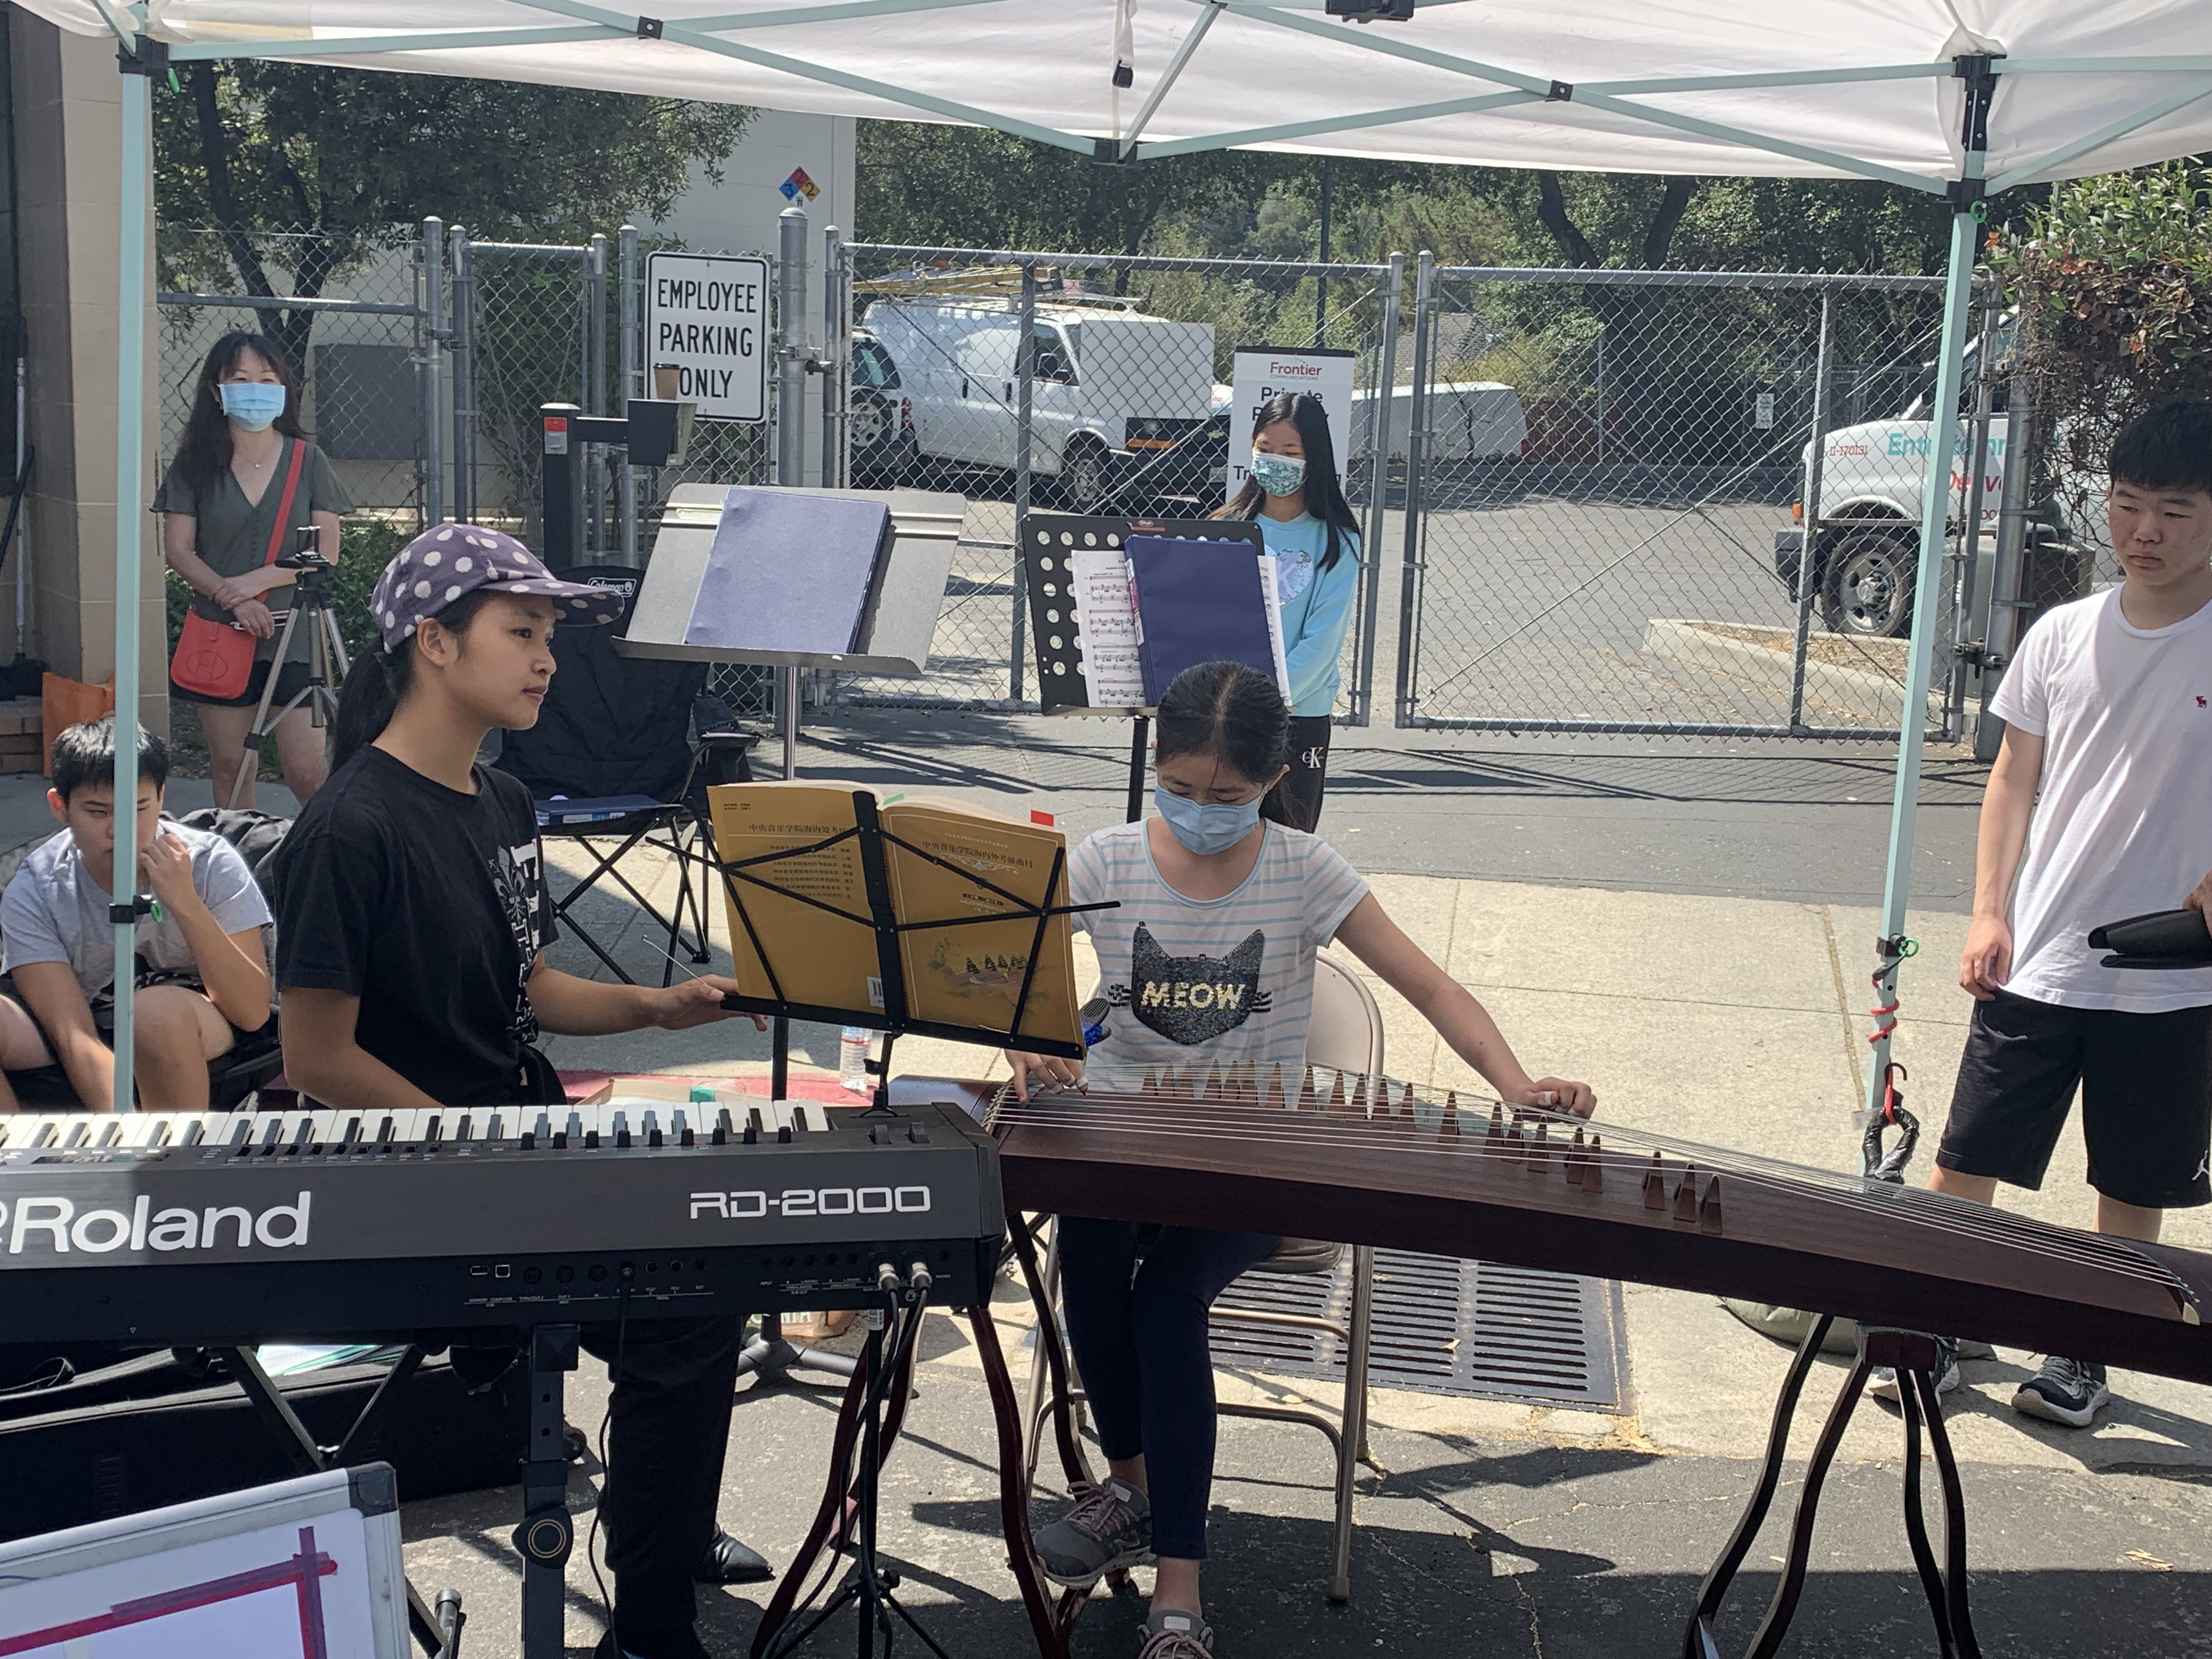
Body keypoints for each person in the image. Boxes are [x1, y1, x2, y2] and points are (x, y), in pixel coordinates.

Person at [1005, 659, 1592, 1659]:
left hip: (1250, 1155)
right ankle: (1137, 1484)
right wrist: (1031, 1033)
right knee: (1090, 1271)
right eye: (1179, 789)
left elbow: (1433, 987)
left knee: (1164, 1296)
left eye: (1225, 796)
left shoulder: (1301, 870)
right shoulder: (1100, 861)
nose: (1198, 811)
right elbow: (1013, 982)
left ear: (1275, 776)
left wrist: (1516, 1081)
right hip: (1119, 1141)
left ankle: (1178, 1585)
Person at [268, 526, 766, 1659]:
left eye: (549, 635)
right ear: (433, 644)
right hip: (407, 1186)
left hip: (501, 1151)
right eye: (522, 632)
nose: (547, 658)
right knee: (682, 1317)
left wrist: (657, 1006)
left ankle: (665, 1530)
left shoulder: (497, 799)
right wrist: (477, 1144)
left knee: (711, 1266)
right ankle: (648, 1621)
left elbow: (528, 985)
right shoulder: (349, 830)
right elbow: (316, 1059)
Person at [1903, 395, 2212, 1430]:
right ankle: (1939, 1321)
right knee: (1966, 1155)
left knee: (2133, 1176)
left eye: (2174, 507)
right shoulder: (2062, 632)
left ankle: (2085, 1344)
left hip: (2174, 971)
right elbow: (2011, 783)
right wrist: (1986, 911)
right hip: (2038, 953)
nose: (2146, 531)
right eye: (2128, 506)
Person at [0, 719, 274, 1112]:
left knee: (150, 1015)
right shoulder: (37, 886)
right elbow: (74, 1035)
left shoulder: (210, 863)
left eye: (139, 808)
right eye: (98, 812)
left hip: (198, 1020)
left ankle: (173, 1167)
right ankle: (16, 1166)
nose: (121, 830)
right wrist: (123, 1141)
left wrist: (185, 902)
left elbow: (251, 1011)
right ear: (60, 807)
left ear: (161, 798)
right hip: (87, 1026)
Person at [157, 331, 352, 810]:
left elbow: (328, 548)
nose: (255, 388)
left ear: (284, 388)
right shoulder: (193, 463)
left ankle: (335, 867)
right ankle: (238, 874)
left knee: (307, 770)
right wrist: (235, 599)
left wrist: (260, 582)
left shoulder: (308, 459)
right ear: (215, 390)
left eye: (267, 379)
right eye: (240, 378)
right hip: (221, 633)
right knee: (230, 766)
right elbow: (178, 550)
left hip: (295, 636)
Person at [1213, 391, 1363, 832]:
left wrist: (1259, 702)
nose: (1276, 461)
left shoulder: (1338, 540)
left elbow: (1321, 644)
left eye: (1290, 453)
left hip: (1299, 717)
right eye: (1265, 449)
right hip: (1226, 713)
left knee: (1286, 844)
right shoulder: (1227, 528)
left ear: (1314, 457)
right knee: (1220, 839)